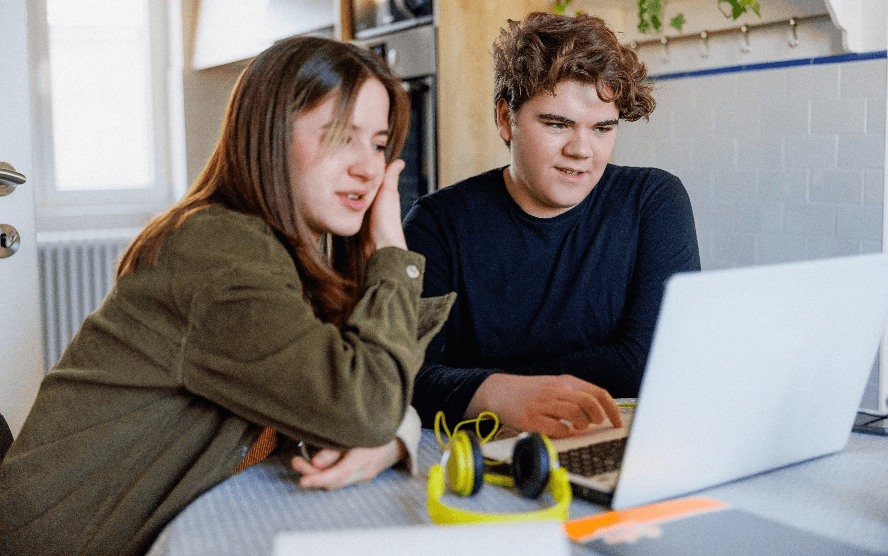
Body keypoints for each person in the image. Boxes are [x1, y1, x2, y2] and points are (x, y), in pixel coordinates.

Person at [0, 36, 453, 556]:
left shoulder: (282, 254)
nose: (369, 168)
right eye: (338, 136)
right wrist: (391, 253)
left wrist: (392, 439)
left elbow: (360, 392)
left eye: (378, 144)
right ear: (269, 137)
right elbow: (364, 404)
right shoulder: (222, 252)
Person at [403, 12, 700, 439]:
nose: (581, 150)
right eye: (557, 124)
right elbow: (405, 378)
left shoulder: (652, 201)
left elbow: (654, 362)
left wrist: (478, 386)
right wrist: (500, 393)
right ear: (507, 119)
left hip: (614, 441)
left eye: (601, 128)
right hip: (487, 449)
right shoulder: (438, 224)